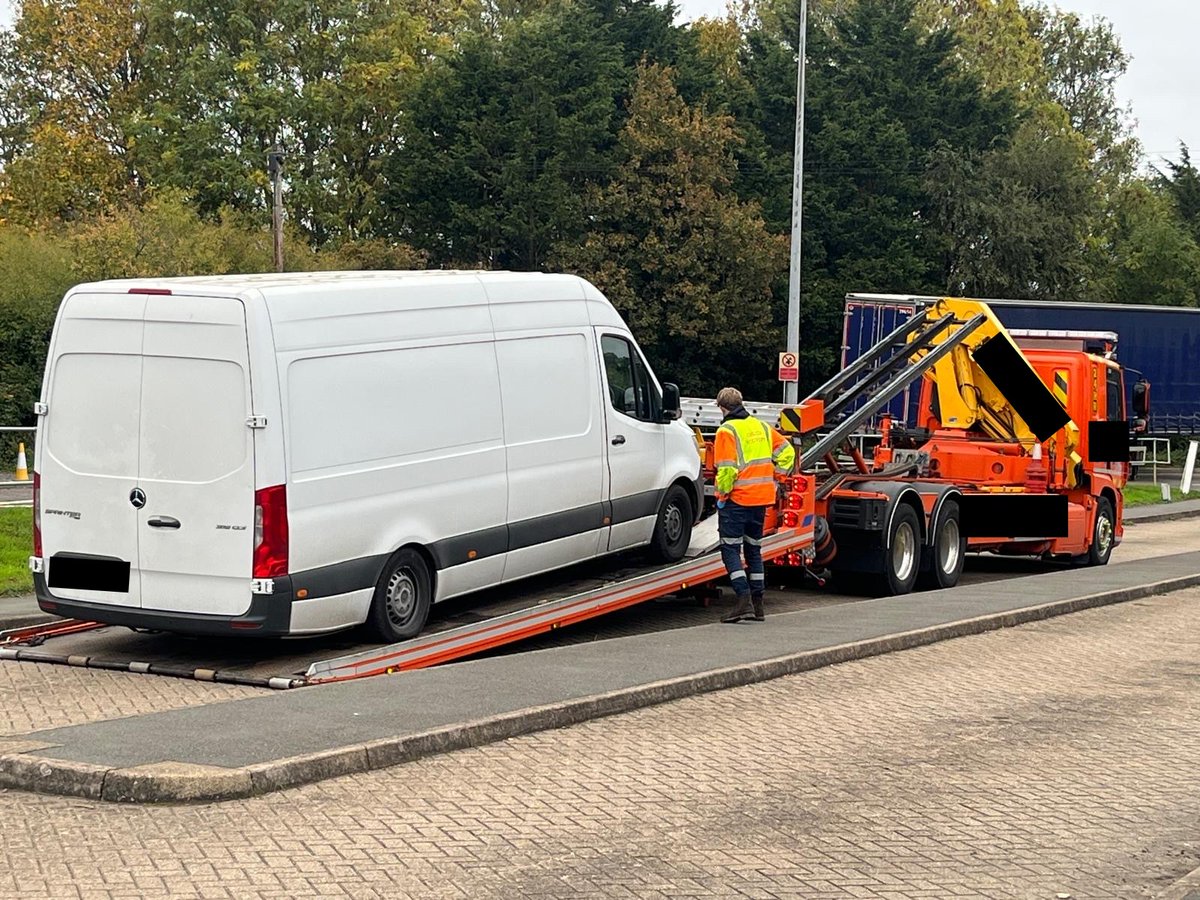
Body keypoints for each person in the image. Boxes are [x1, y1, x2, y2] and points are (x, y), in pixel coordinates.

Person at [712, 387, 796, 623]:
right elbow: (787, 453)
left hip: (737, 499)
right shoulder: (762, 427)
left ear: (722, 407)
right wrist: (777, 478)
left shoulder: (726, 431)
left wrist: (722, 495)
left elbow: (727, 470)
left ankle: (742, 600)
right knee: (753, 549)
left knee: (730, 549)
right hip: (761, 499)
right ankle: (758, 605)